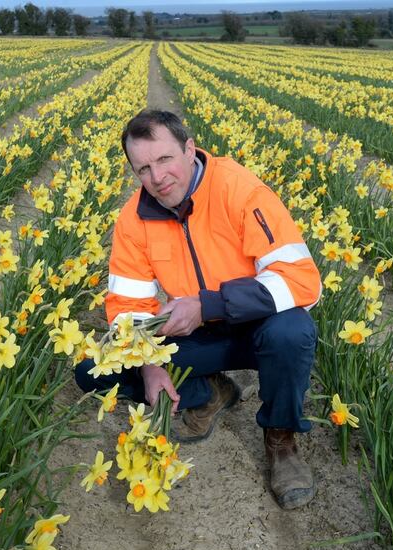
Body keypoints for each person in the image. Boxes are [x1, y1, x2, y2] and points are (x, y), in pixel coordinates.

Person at [74, 109, 321, 510]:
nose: (157, 178)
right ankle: (209, 391)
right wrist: (150, 365)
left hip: (258, 329)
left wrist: (207, 305)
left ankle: (281, 439)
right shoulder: (133, 220)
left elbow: (302, 280)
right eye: (143, 168)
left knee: (292, 332)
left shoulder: (240, 191)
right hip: (196, 333)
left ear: (190, 149)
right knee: (92, 373)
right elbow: (127, 309)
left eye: (165, 159)